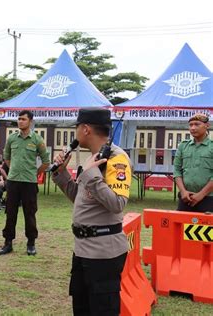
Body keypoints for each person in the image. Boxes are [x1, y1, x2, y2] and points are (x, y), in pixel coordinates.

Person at [52, 108, 132, 316]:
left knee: (102, 310)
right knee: (82, 308)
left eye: (77, 128)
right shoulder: (92, 158)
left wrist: (91, 175)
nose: (76, 133)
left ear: (86, 129)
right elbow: (81, 198)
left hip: (104, 252)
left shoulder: (117, 159)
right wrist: (61, 175)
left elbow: (117, 203)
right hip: (82, 249)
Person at [0, 110, 49, 256]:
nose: (20, 121)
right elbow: (6, 157)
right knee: (10, 213)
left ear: (30, 121)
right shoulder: (12, 138)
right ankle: (8, 243)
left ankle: (31, 243)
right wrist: (13, 168)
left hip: (29, 182)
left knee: (30, 213)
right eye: (19, 119)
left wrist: (35, 172)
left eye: (23, 119)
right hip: (13, 181)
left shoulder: (37, 140)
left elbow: (46, 161)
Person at [173, 113, 213, 212]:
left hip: (208, 199)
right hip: (185, 198)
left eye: (197, 124)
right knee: (181, 226)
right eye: (190, 125)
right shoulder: (183, 146)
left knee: (207, 227)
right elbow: (177, 170)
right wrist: (183, 192)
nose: (193, 128)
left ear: (207, 125)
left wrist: (201, 194)